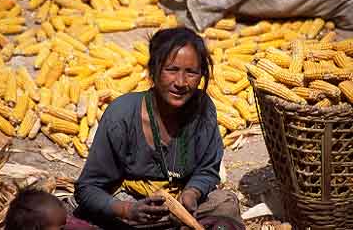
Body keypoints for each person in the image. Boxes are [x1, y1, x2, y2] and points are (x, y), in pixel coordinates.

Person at [74, 27, 244, 229]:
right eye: (171, 70)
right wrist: (127, 210)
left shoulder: (202, 109)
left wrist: (191, 194)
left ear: (201, 75)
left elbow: (207, 170)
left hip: (180, 208)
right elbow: (87, 188)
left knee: (225, 204)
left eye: (191, 72)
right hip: (132, 208)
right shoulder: (122, 115)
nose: (180, 82)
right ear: (154, 70)